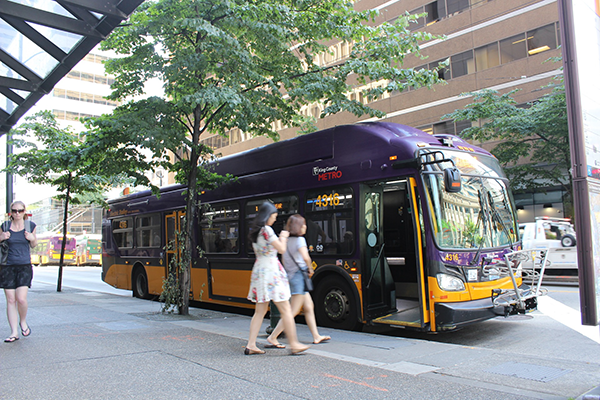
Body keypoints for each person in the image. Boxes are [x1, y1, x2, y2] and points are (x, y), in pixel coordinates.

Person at [245, 202, 310, 355]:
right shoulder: (267, 230)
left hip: (260, 271)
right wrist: (283, 236)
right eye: (273, 217)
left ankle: (251, 344)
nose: (274, 220)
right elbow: (281, 249)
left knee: (260, 311)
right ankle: (294, 344)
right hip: (271, 273)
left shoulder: (256, 232)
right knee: (286, 309)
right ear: (267, 216)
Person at [267, 214, 330, 347]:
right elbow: (306, 257)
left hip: (291, 276)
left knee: (308, 306)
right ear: (298, 227)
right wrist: (310, 269)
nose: (305, 227)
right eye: (303, 224)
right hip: (299, 277)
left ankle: (316, 336)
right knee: (293, 311)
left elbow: (284, 260)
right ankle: (273, 337)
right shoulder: (300, 240)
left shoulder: (287, 241)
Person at [0, 201, 38, 343]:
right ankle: (14, 332)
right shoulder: (4, 226)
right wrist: (2, 237)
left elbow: (34, 245)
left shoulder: (30, 226)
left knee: (21, 299)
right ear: (10, 212)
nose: (17, 213)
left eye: (20, 211)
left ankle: (23, 321)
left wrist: (32, 238)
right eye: (14, 211)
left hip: (24, 266)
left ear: (24, 212)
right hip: (7, 266)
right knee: (10, 300)